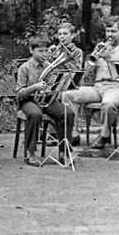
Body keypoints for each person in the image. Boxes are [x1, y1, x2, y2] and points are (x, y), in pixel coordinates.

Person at [61, 16, 119, 149]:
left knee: (108, 103)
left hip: (117, 87)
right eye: (108, 31)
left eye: (113, 31)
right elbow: (89, 71)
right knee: (67, 95)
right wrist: (92, 62)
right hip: (97, 87)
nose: (109, 35)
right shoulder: (101, 46)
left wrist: (111, 57)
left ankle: (104, 136)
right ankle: (73, 134)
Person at [16, 36, 76, 166]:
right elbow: (19, 93)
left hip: (47, 100)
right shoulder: (24, 68)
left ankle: (64, 151)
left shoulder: (50, 66)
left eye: (46, 51)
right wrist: (34, 87)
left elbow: (52, 87)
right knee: (35, 114)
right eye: (40, 51)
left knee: (68, 113)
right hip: (28, 100)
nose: (44, 54)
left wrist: (59, 85)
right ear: (31, 50)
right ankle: (30, 153)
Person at [52, 22, 84, 145]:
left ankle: (72, 133)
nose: (62, 37)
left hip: (71, 83)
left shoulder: (77, 51)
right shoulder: (55, 49)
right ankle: (54, 132)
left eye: (65, 34)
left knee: (64, 95)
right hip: (56, 83)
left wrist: (61, 62)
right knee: (51, 95)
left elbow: (77, 69)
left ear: (72, 36)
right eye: (60, 34)